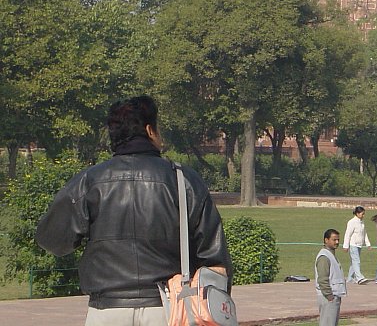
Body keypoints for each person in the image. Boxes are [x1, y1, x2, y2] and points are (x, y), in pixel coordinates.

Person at [35, 95, 232, 326]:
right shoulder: (183, 180)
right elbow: (214, 257)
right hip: (168, 309)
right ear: (150, 130)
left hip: (106, 311)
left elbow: (52, 240)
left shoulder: (89, 181)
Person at [315, 228, 347, 326]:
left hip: (333, 296)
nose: (337, 242)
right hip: (328, 297)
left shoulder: (330, 255)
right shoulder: (324, 257)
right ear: (326, 240)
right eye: (334, 240)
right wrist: (329, 296)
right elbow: (322, 279)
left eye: (338, 240)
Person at [342, 206, 371, 284]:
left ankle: (350, 278)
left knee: (354, 262)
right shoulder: (352, 222)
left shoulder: (362, 222)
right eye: (362, 214)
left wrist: (368, 243)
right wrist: (346, 246)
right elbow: (347, 234)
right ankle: (359, 278)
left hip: (359, 245)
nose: (363, 216)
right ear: (357, 213)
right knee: (356, 261)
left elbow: (364, 233)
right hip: (353, 244)